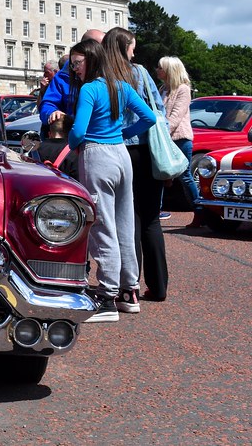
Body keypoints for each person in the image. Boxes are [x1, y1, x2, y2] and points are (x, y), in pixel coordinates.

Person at [66, 38, 156, 323]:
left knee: (102, 225)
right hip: (121, 155)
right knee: (125, 224)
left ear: (90, 61)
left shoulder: (90, 89)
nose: (74, 68)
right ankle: (129, 291)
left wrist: (71, 143)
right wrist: (125, 132)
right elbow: (150, 117)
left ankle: (106, 295)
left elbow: (79, 131)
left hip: (97, 154)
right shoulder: (121, 86)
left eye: (77, 63)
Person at [103, 27, 169, 304]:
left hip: (119, 150)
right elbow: (158, 111)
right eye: (132, 46)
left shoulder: (104, 76)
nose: (135, 51)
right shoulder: (140, 73)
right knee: (151, 220)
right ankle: (159, 286)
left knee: (128, 220)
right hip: (147, 149)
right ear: (124, 47)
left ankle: (129, 286)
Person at [157, 55, 201, 227]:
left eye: (160, 67)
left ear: (169, 70)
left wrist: (161, 135)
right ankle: (156, 211)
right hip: (165, 139)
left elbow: (175, 117)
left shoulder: (183, 89)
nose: (158, 70)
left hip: (179, 139)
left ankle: (199, 211)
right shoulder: (162, 89)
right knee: (158, 175)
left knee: (185, 177)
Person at [40, 29, 105, 138]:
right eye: (101, 46)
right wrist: (52, 113)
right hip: (72, 144)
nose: (105, 51)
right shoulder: (63, 77)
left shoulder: (111, 77)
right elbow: (48, 105)